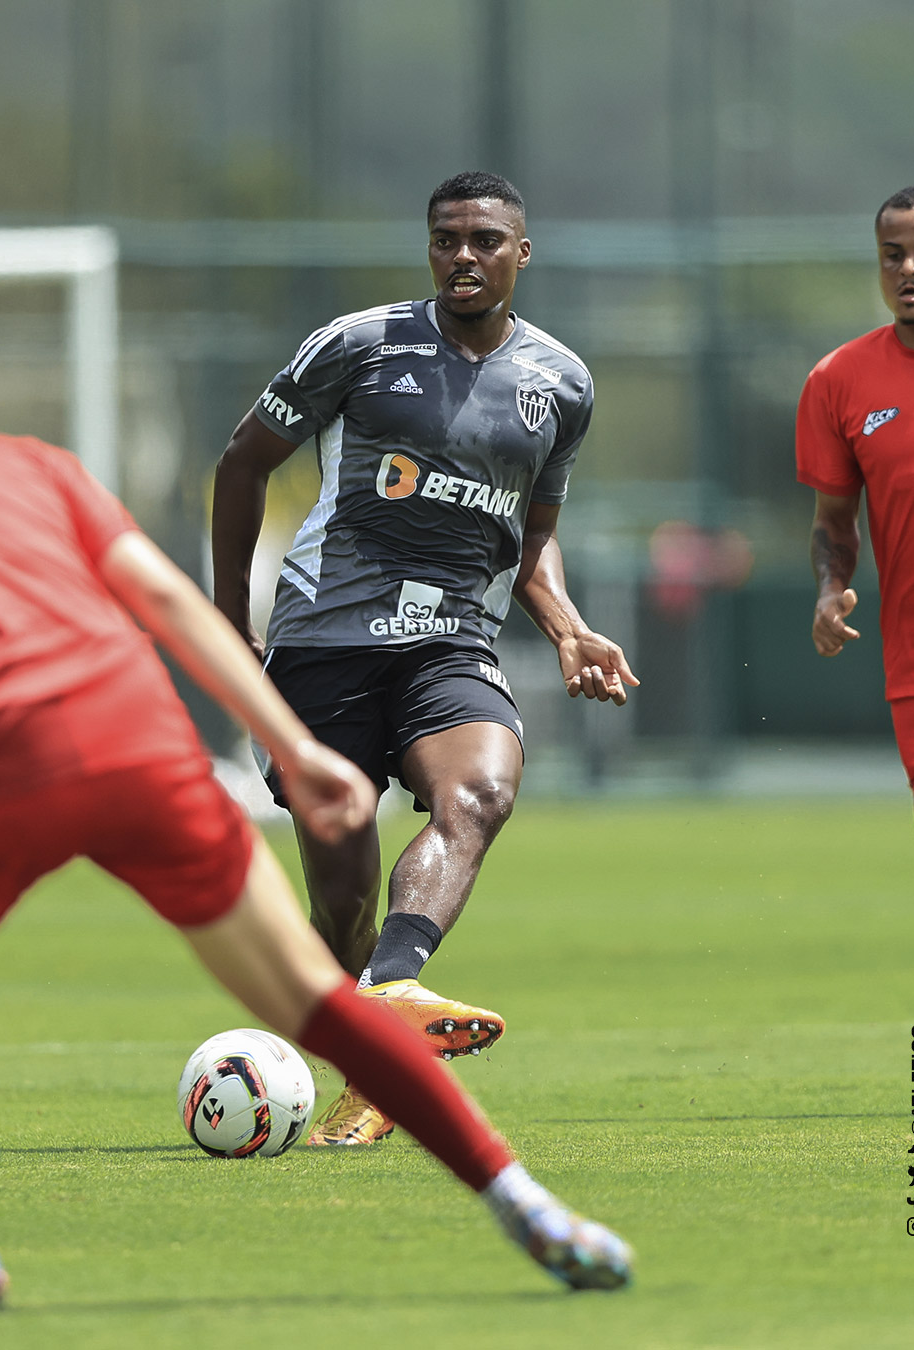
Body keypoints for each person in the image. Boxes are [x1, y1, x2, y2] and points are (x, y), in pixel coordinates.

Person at [0, 311, 633, 1309]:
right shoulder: (30, 462)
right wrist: (286, 742)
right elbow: (169, 604)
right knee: (321, 1002)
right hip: (143, 740)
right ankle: (533, 1208)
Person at [212, 171, 639, 1147]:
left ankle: (395, 993)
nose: (464, 256)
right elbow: (243, 464)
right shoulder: (359, 345)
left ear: (522, 253)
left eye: (487, 239)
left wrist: (567, 625)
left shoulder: (560, 383)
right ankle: (373, 1030)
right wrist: (230, 623)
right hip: (322, 646)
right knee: (344, 874)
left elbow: (531, 536)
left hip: (450, 639)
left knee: (480, 793)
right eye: (447, 238)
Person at [797, 182, 914, 856]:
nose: (908, 269)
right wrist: (831, 589)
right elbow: (834, 520)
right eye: (892, 255)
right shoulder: (838, 380)